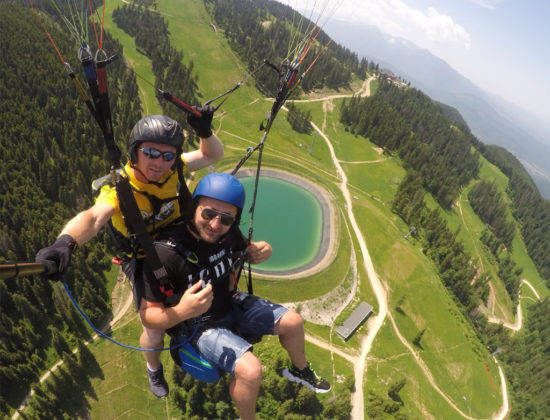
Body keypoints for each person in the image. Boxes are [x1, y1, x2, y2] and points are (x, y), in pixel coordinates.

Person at [35, 109, 223, 398]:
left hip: (179, 245)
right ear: (135, 153)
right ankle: (153, 366)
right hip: (143, 258)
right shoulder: (119, 187)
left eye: (167, 155)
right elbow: (95, 216)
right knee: (156, 327)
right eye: (150, 152)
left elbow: (211, 156)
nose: (158, 162)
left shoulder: (175, 169)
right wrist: (66, 241)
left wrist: (205, 132)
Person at [140, 172, 330, 419]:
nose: (215, 224)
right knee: (251, 371)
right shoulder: (165, 254)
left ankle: (300, 370)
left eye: (226, 219)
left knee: (293, 322)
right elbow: (148, 316)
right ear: (194, 208)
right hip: (200, 324)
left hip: (230, 302)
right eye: (208, 214)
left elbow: (248, 251)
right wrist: (183, 311)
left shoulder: (227, 235)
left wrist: (264, 250)